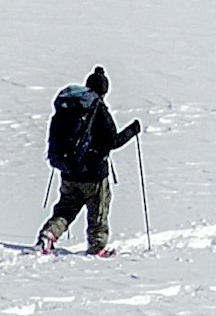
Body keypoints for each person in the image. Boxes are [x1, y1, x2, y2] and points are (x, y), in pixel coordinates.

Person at [37, 67, 142, 256]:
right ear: (104, 90)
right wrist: (132, 130)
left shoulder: (69, 107)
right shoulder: (98, 109)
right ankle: (97, 247)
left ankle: (49, 234)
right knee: (98, 213)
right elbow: (112, 142)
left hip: (68, 171)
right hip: (94, 174)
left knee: (66, 208)